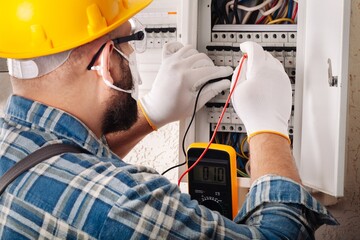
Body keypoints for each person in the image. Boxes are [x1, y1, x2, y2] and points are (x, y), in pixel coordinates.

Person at [0, 0, 337, 239]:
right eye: (130, 42)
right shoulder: (127, 203)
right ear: (105, 63)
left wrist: (149, 116)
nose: (132, 54)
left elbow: (60, 168)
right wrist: (269, 130)